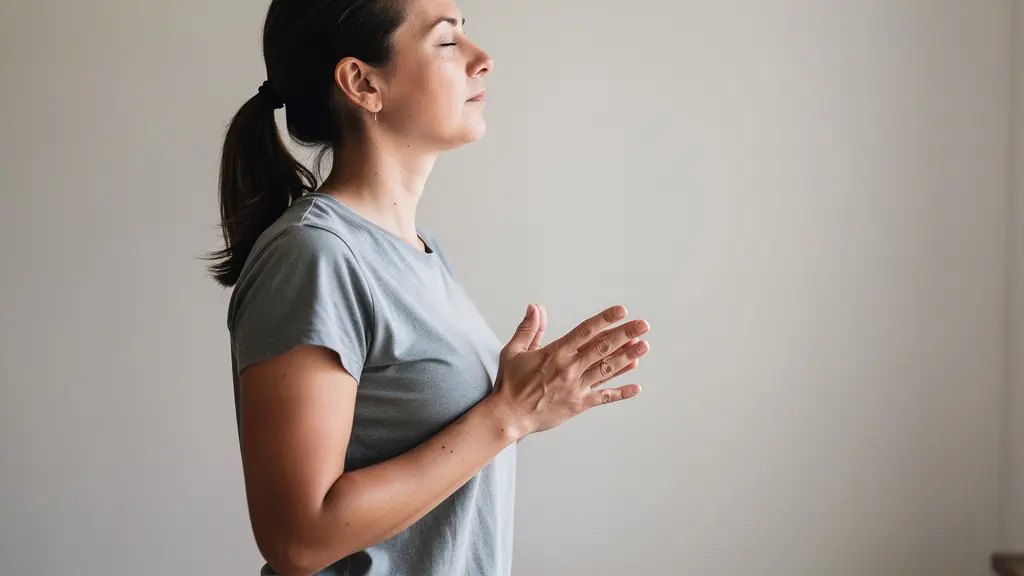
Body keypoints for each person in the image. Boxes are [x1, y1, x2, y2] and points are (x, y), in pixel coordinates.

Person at [206, 0, 652, 574]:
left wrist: (517, 406)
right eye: (447, 42)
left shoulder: (419, 250)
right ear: (362, 83)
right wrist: (509, 415)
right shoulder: (315, 255)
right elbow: (298, 536)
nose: (483, 58)